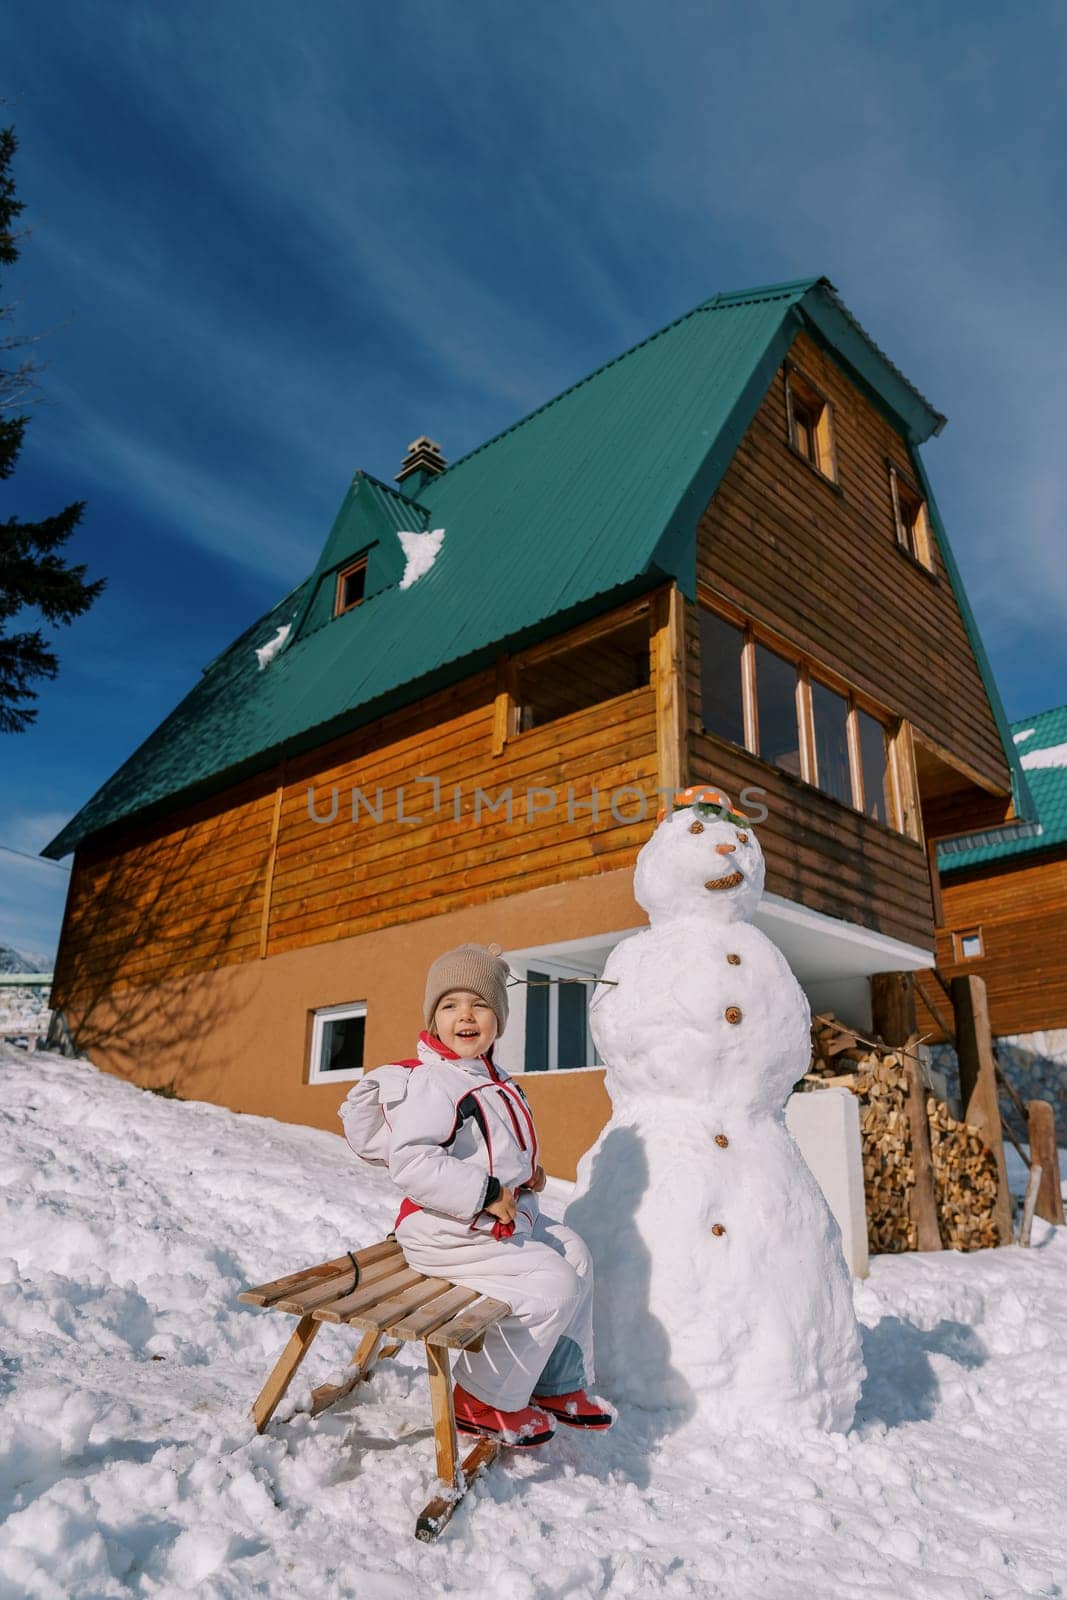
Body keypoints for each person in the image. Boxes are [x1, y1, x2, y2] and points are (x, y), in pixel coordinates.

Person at [385, 942, 612, 1447]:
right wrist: (485, 1191)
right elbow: (412, 1162)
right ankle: (479, 1398)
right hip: (443, 1229)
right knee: (551, 1284)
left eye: (479, 1004)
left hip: (498, 1220)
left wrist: (528, 1174)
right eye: (449, 1005)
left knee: (575, 1255)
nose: (464, 1015)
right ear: (432, 1019)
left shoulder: (495, 1078)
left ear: (499, 1020)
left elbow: (497, 1145)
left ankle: (554, 1383)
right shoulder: (431, 1083)